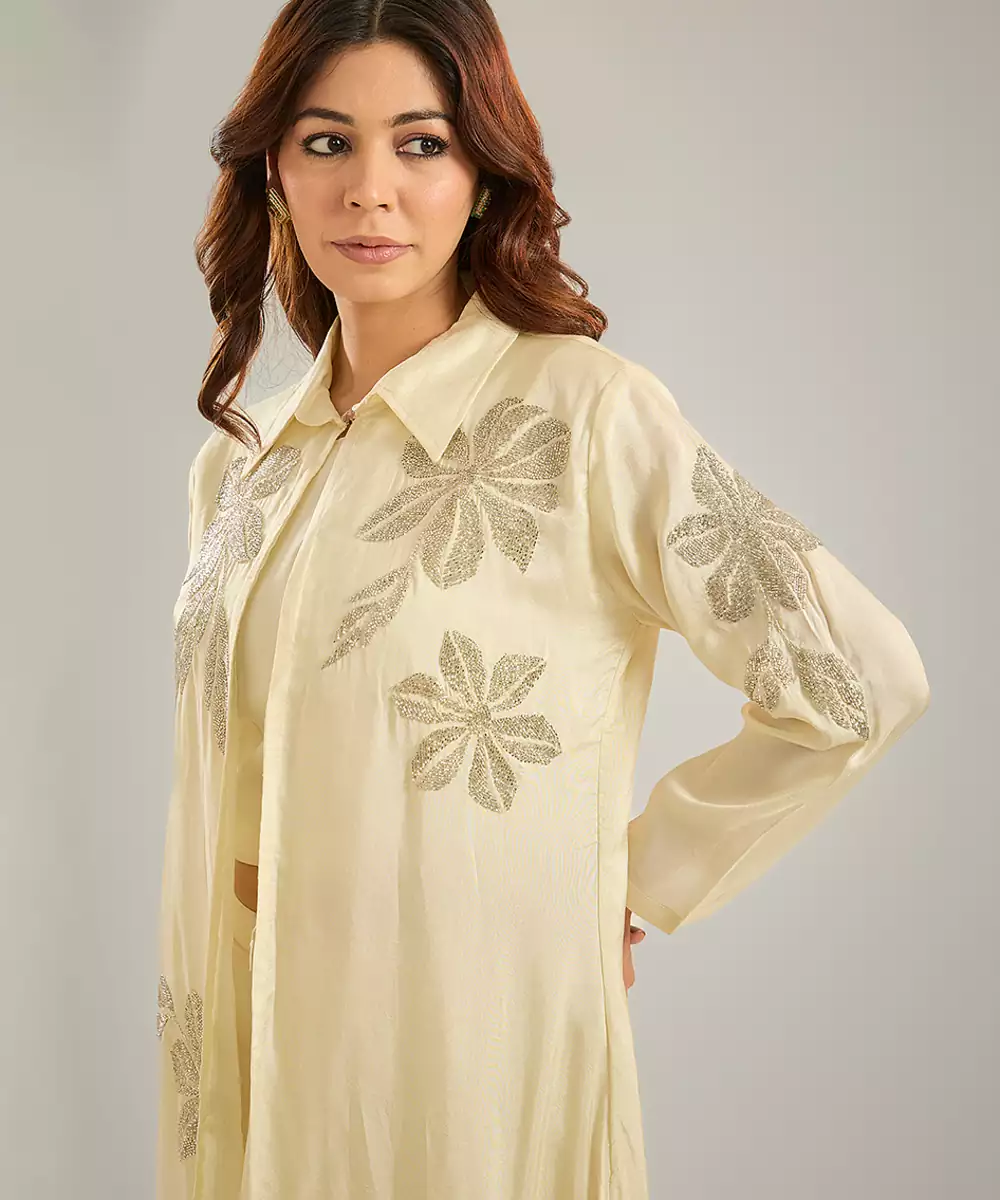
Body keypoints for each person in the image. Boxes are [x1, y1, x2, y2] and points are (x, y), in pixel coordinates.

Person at [154, 2, 931, 1197]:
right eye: (327, 142)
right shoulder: (244, 461)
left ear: (482, 176)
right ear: (274, 172)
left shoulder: (582, 417)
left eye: (420, 144)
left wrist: (634, 883)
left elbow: (859, 684)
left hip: (465, 1060)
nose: (369, 191)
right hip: (246, 1054)